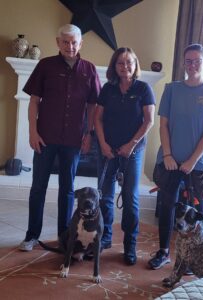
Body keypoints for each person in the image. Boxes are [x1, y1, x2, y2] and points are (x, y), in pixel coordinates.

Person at [19, 24, 101, 251]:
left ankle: (65, 237)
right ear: (58, 43)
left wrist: (89, 134)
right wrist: (32, 132)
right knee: (38, 187)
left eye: (74, 42)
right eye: (65, 42)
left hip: (74, 139)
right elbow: (34, 100)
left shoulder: (90, 69)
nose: (70, 46)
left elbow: (93, 105)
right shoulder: (45, 66)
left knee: (67, 189)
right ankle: (31, 235)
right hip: (45, 137)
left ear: (80, 44)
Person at [148, 43, 203, 270]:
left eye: (197, 61)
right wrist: (168, 154)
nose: (192, 65)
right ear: (184, 63)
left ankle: (198, 258)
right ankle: (163, 252)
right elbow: (163, 125)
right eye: (188, 61)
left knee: (200, 213)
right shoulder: (171, 89)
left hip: (198, 164)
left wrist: (192, 160)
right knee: (167, 206)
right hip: (170, 161)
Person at [94, 47, 156, 265]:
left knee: (130, 199)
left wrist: (131, 145)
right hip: (108, 150)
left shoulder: (143, 88)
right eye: (120, 63)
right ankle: (105, 239)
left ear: (135, 64)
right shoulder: (107, 89)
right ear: (114, 66)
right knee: (106, 197)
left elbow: (149, 121)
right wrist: (102, 144)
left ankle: (130, 245)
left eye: (129, 62)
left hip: (133, 151)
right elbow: (97, 119)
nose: (125, 66)